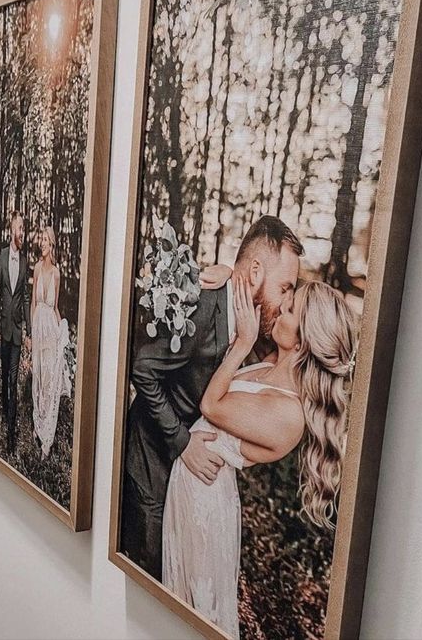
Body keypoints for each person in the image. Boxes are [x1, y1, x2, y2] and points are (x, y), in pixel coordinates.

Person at [162, 277, 357, 638]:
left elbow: (212, 405)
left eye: (291, 309)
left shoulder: (289, 416)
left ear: (302, 340)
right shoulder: (272, 363)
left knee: (193, 609)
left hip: (204, 497)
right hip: (190, 477)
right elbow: (254, 292)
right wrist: (226, 274)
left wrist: (242, 346)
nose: (282, 308)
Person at [120, 216, 303, 581]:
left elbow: (293, 346)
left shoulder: (255, 325)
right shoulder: (204, 303)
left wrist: (225, 270)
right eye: (285, 288)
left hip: (187, 481)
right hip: (152, 461)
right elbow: (142, 368)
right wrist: (181, 442)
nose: (286, 302)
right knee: (144, 577)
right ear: (254, 273)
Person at [0, 211, 32, 453]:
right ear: (11, 230)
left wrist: (28, 330)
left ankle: (10, 438)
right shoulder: (3, 256)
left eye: (24, 229)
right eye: (19, 228)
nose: (22, 233)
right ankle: (4, 410)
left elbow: (26, 297)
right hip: (4, 326)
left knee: (14, 379)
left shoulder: (25, 261)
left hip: (17, 329)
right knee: (5, 374)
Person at [30, 226, 71, 458]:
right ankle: (37, 424)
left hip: (50, 330)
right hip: (37, 329)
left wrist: (61, 334)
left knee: (48, 381)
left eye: (46, 240)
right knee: (38, 378)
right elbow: (34, 303)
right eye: (41, 239)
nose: (42, 243)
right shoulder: (36, 268)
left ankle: (47, 433)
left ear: (52, 244)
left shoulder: (56, 273)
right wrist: (30, 332)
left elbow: (55, 307)